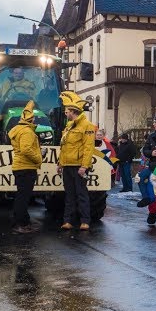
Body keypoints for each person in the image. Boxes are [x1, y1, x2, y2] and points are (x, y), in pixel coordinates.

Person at [57, 91, 95, 231]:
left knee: (81, 194)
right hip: (67, 165)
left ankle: (85, 221)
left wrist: (84, 166)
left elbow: (88, 148)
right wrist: (60, 163)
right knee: (69, 195)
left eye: (67, 111)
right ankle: (68, 221)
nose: (65, 114)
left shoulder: (87, 126)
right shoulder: (68, 126)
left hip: (79, 166)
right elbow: (64, 147)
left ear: (73, 111)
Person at [9, 101, 42, 233]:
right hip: (26, 167)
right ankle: (20, 224)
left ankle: (23, 222)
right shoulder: (27, 132)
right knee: (23, 197)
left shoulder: (18, 130)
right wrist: (38, 158)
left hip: (20, 167)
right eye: (34, 118)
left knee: (21, 196)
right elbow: (26, 149)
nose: (35, 120)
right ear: (31, 119)